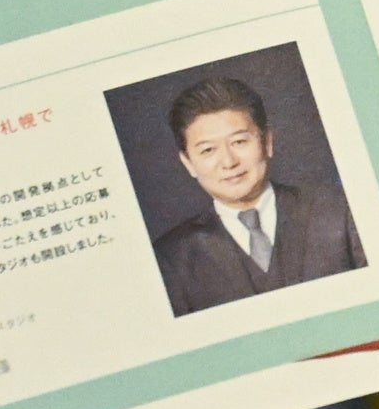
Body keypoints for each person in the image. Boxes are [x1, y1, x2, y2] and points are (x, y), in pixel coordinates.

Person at [147, 74, 364, 316]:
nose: (228, 162)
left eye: (239, 142)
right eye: (208, 150)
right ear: (188, 163)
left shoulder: (339, 210)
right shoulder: (170, 258)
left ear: (267, 142)